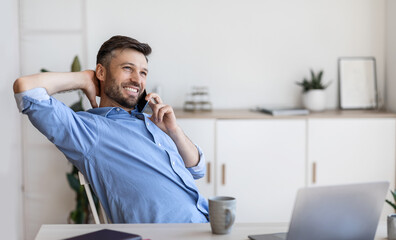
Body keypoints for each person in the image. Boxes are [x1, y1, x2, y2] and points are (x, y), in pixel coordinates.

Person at [13, 35, 209, 223]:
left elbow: (197, 169)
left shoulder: (152, 121)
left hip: (207, 223)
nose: (137, 79)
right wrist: (83, 79)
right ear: (101, 72)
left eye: (143, 73)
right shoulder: (88, 131)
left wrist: (174, 131)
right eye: (127, 68)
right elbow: (26, 89)